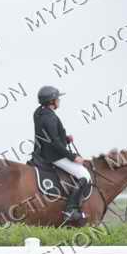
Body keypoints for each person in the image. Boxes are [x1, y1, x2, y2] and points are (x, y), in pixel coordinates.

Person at [33, 85, 91, 222]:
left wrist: (65, 138)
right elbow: (55, 143)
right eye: (57, 99)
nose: (59, 101)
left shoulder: (39, 112)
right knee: (85, 175)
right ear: (52, 101)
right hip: (53, 156)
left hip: (41, 152)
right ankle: (71, 210)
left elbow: (47, 135)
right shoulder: (50, 117)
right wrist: (73, 157)